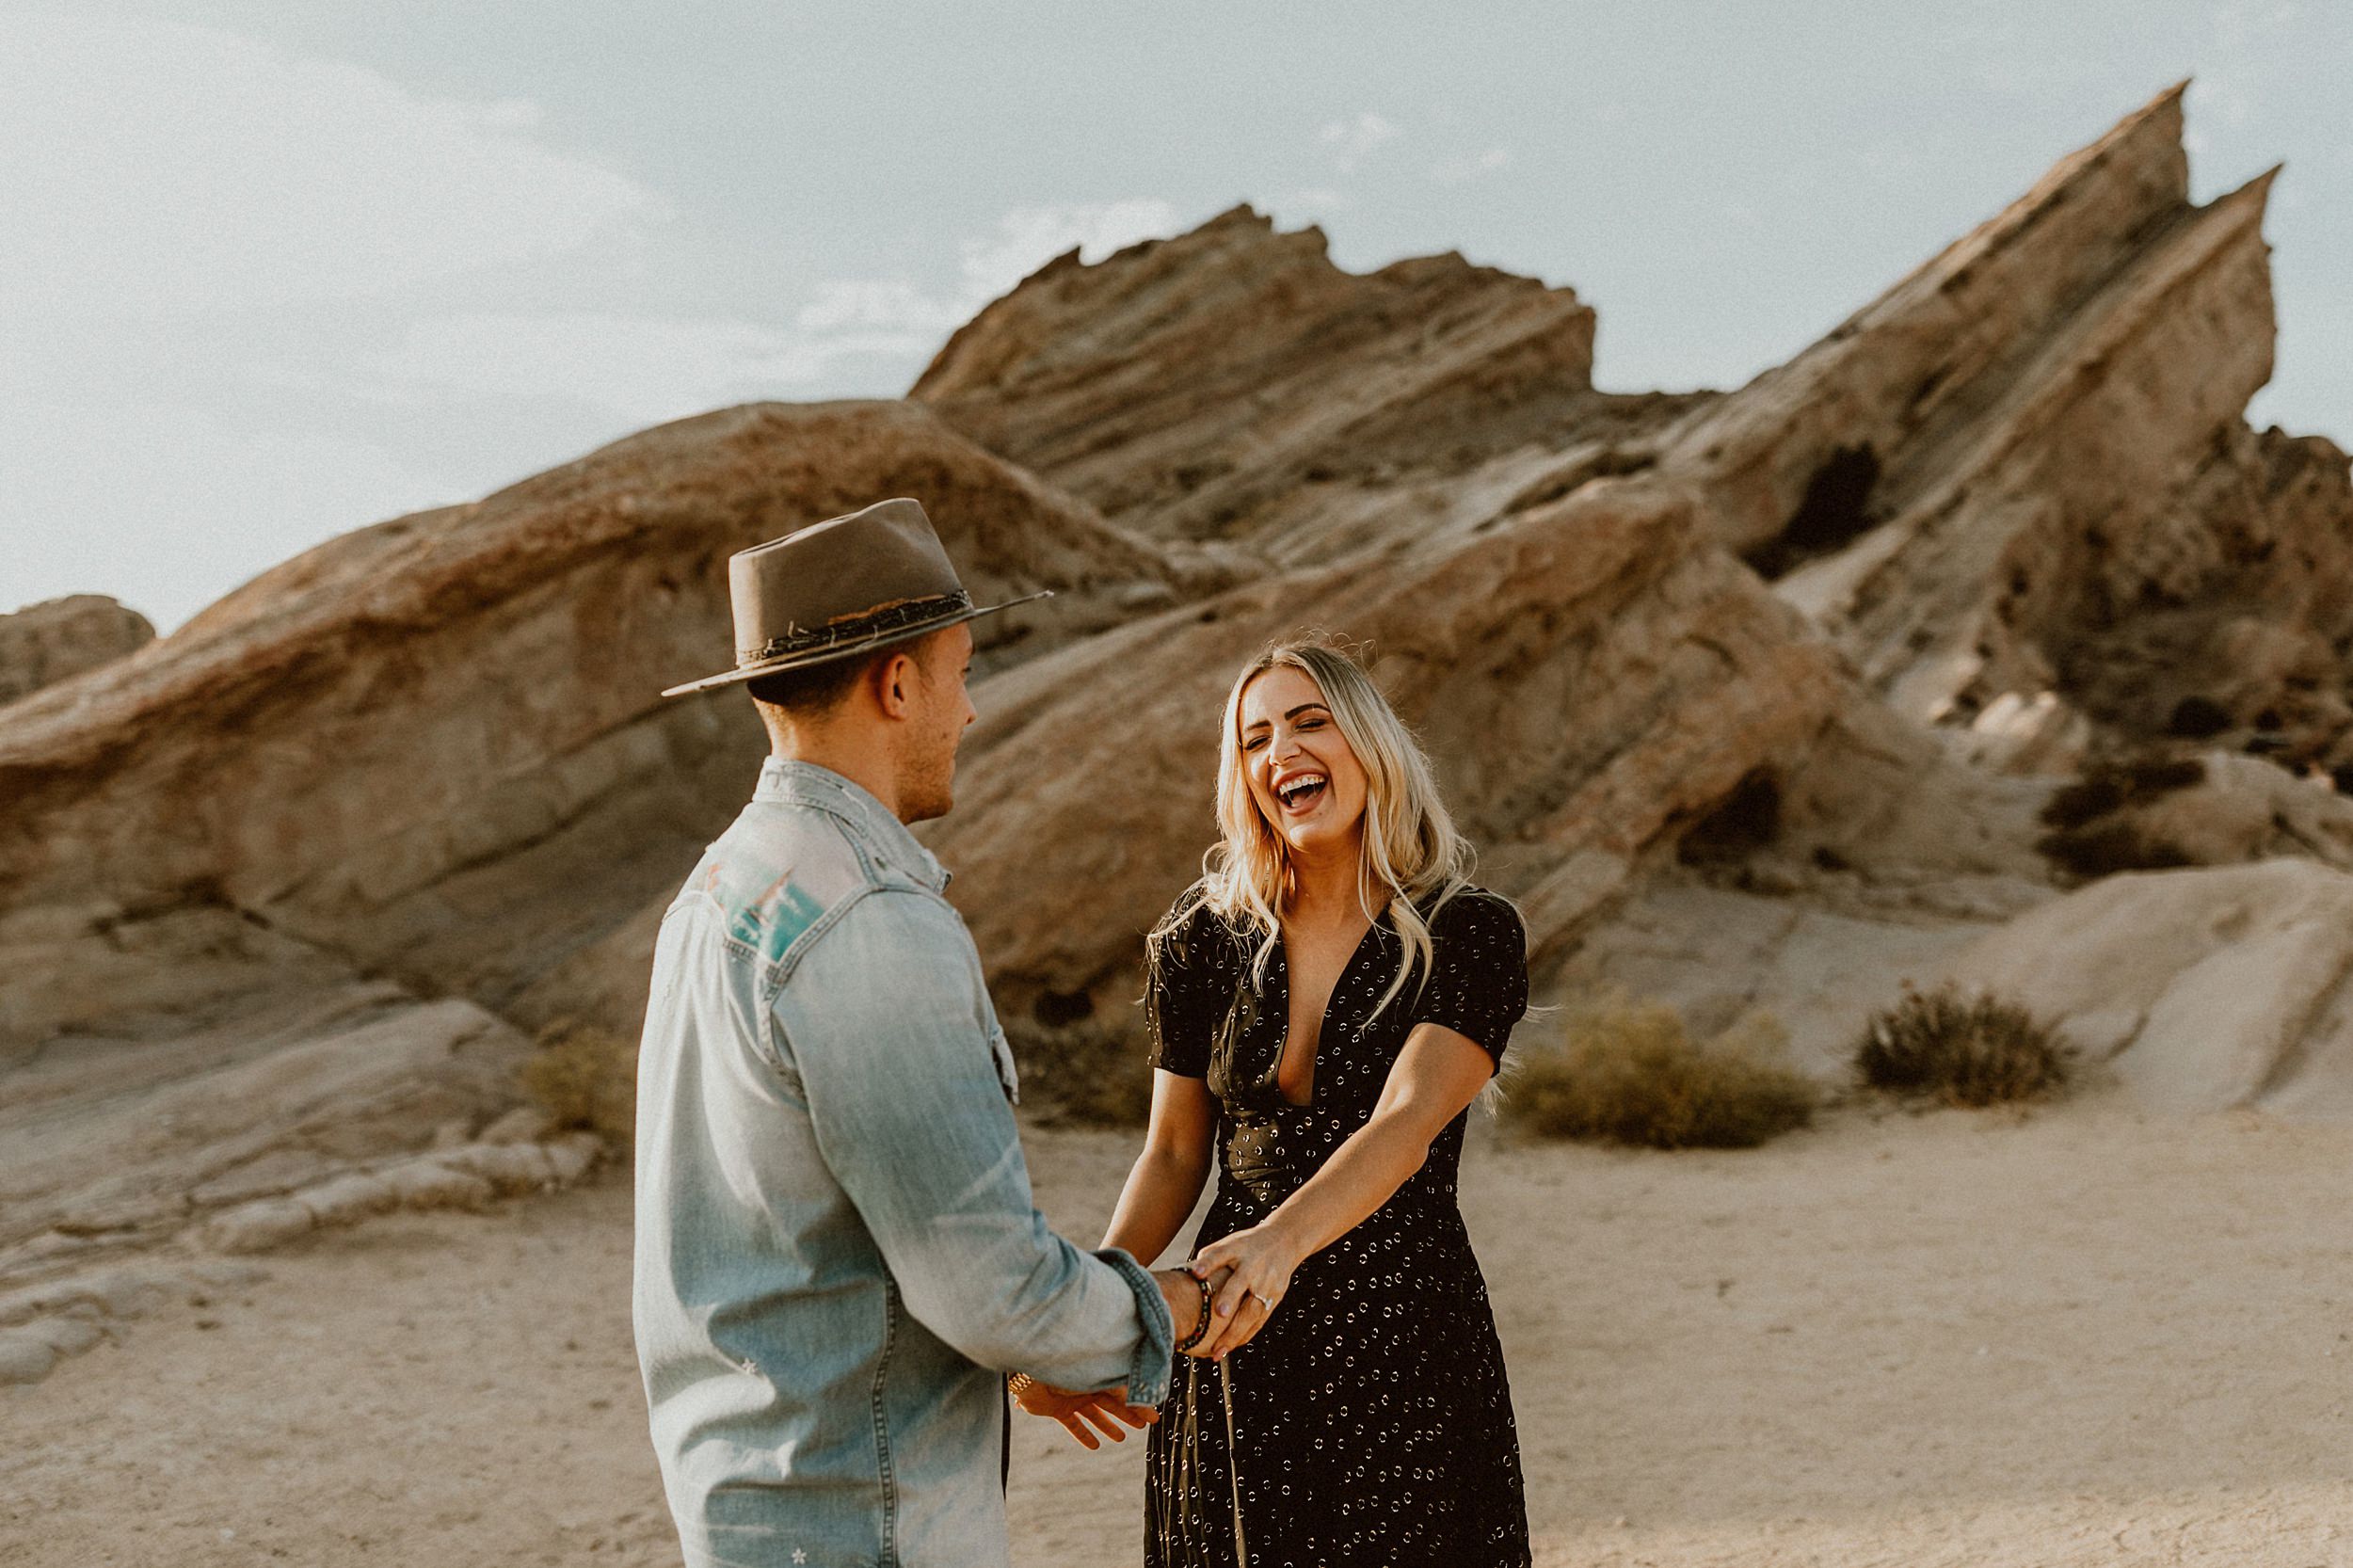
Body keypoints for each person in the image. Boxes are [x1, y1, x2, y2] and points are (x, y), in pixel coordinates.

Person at [633, 497, 1210, 1568]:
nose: (973, 711)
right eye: (962, 672)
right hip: (869, 1520)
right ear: (897, 684)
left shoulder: (715, 890)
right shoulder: (869, 917)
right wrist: (1184, 1306)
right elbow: (993, 1290)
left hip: (756, 1508)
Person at [1018, 637, 1532, 1566]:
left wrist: (1277, 1245)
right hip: (1232, 1334)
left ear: (1368, 742)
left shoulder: (1468, 930)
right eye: (1255, 738)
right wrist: (1084, 1306)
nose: (1280, 753)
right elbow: (1174, 1154)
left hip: (1401, 1332)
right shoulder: (1199, 937)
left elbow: (1405, 1124)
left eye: (1308, 722)